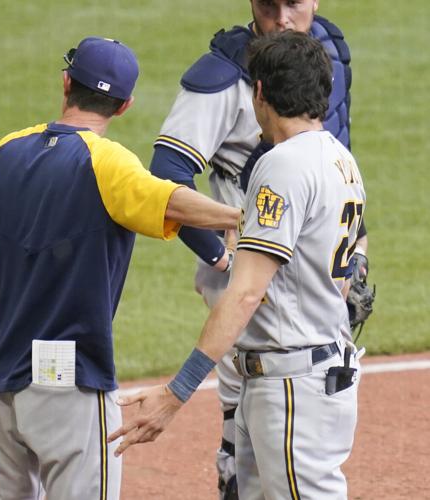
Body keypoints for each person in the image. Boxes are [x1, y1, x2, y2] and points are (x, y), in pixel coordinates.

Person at [0, 36, 240, 500]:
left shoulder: (2, 152)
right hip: (71, 382)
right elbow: (173, 201)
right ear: (124, 106)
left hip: (5, 379)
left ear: (66, 83)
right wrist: (240, 217)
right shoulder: (106, 161)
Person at [110, 30, 366, 500]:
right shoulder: (340, 159)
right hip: (301, 372)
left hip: (292, 385)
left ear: (261, 93)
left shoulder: (283, 164)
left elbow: (246, 291)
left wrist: (176, 393)